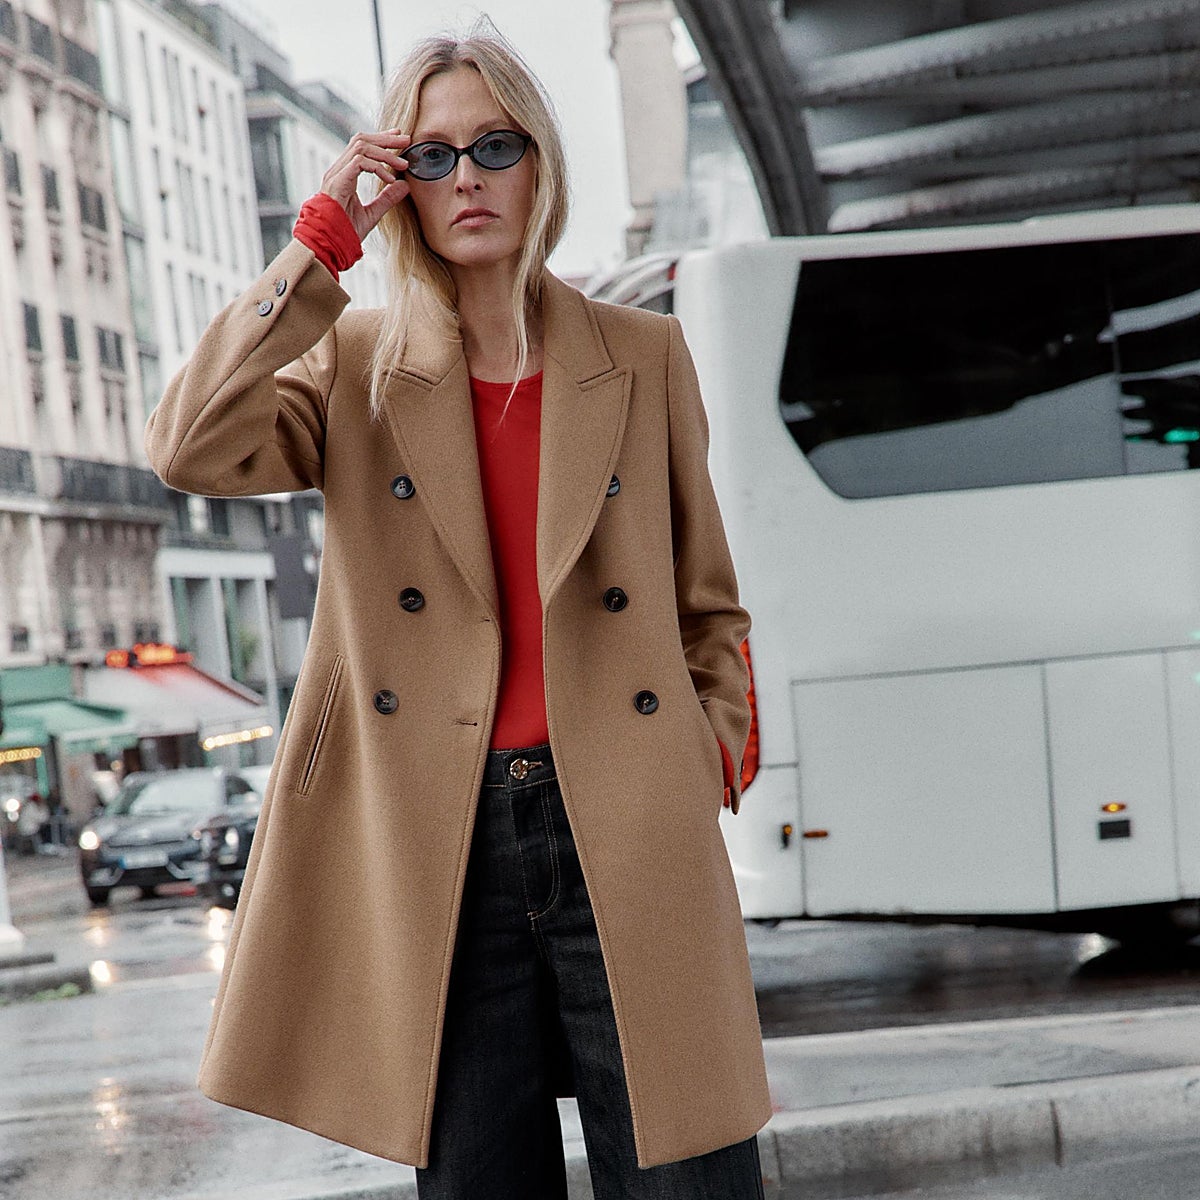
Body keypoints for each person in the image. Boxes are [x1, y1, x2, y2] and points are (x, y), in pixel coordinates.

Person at [144, 23, 771, 1200]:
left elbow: (708, 604)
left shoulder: (643, 354)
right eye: (431, 157)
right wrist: (318, 246)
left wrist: (699, 757)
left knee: (692, 1180)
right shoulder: (354, 365)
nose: (467, 176)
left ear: (541, 165)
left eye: (495, 144)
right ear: (402, 187)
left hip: (623, 821)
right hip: (440, 836)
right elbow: (187, 444)